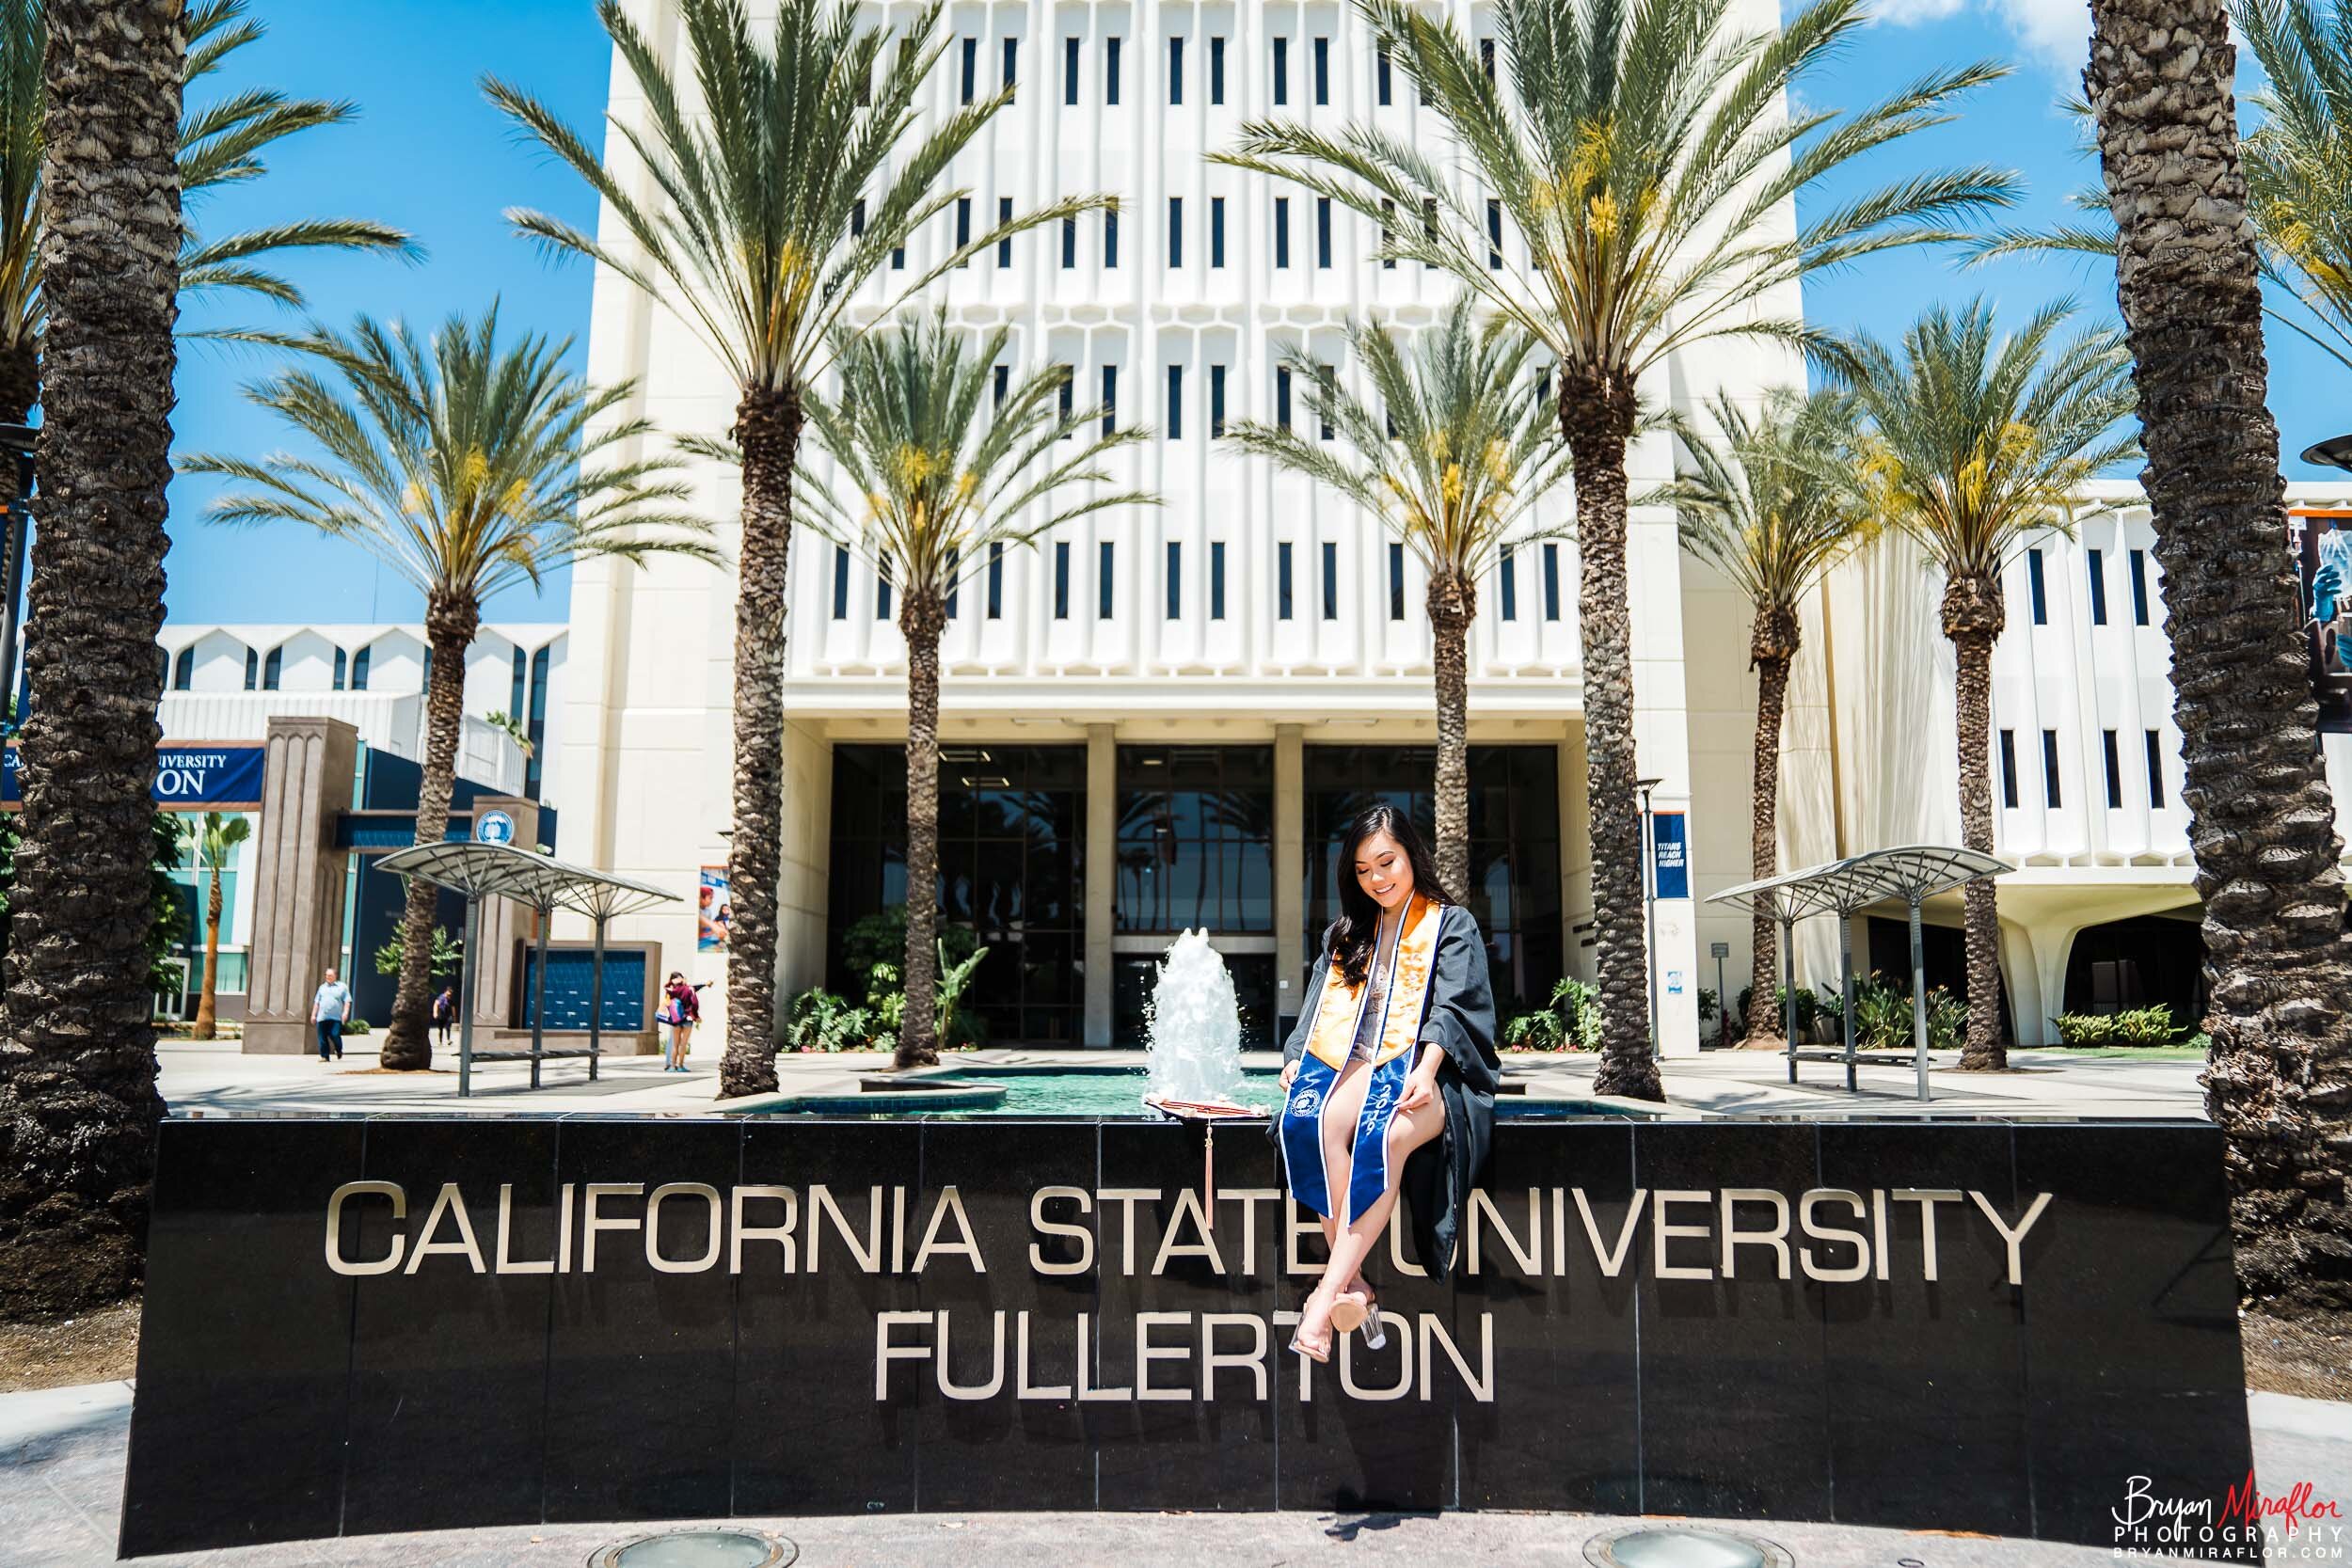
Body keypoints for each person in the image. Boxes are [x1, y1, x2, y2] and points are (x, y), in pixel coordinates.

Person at [1271, 802, 1498, 1363]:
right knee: (1309, 1121)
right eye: (1364, 871)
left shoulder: (1451, 923)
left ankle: (1324, 1298)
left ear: (1411, 856)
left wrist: (1424, 1070)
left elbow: (1453, 1008)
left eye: (1387, 862)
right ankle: (1354, 1287)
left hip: (1430, 1074)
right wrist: (1298, 1059)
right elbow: (1314, 1013)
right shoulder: (1346, 934)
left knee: (1388, 1136)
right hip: (1357, 1065)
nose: (1378, 879)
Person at [659, 971, 706, 1071]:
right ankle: (680, 1066)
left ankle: (672, 1066)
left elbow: (668, 997)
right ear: (682, 979)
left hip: (676, 1019)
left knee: (675, 1044)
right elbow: (695, 1003)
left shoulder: (671, 990)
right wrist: (696, 1016)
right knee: (683, 1044)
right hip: (687, 1018)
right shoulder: (689, 989)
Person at [311, 967, 354, 1063]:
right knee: (322, 1037)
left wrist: (345, 1013)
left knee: (335, 1035)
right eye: (326, 975)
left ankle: (339, 1049)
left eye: (330, 975)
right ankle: (325, 1056)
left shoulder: (342, 987)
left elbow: (347, 1001)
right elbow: (317, 1002)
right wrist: (314, 1015)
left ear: (335, 976)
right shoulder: (322, 988)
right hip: (322, 1017)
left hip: (335, 1018)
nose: (327, 977)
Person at [431, 985, 455, 1052]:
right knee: (440, 1028)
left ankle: (448, 1040)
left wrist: (454, 1016)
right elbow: (436, 1004)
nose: (449, 996)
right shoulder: (441, 997)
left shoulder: (450, 999)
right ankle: (440, 1041)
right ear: (445, 992)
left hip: (448, 1015)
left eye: (450, 994)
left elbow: (453, 1008)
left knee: (448, 1027)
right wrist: (435, 1013)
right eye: (448, 994)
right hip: (441, 1014)